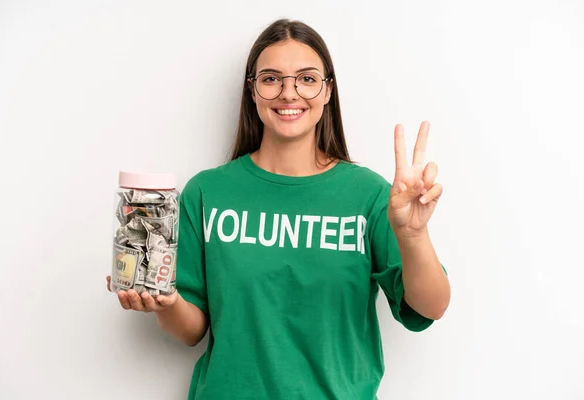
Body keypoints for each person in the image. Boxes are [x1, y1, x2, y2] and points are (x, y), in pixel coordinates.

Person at [106, 18, 450, 400]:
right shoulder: (207, 192)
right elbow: (191, 330)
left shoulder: (368, 195)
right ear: (252, 91)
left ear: (327, 92)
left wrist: (413, 234)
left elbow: (430, 307)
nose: (289, 93)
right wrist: (165, 304)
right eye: (271, 79)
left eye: (306, 79)